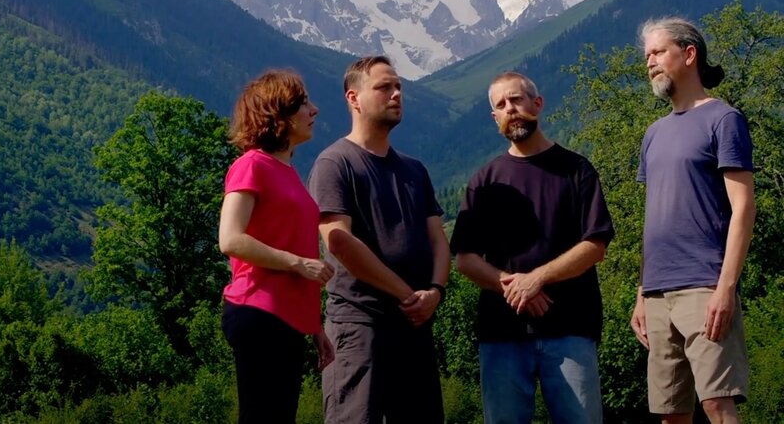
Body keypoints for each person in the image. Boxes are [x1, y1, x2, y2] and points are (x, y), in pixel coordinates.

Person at [451, 71, 614, 424]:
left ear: (537, 104)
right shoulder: (485, 181)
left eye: (517, 99)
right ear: (495, 118)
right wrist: (515, 285)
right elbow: (464, 258)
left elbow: (595, 244)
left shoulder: (577, 170)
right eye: (501, 105)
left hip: (571, 329)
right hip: (501, 334)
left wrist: (537, 278)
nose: (511, 109)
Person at [307, 55, 450, 424]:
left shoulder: (415, 170)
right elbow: (338, 242)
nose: (397, 94)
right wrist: (408, 294)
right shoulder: (335, 163)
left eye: (399, 86)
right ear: (353, 98)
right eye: (384, 87)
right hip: (359, 327)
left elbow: (438, 240)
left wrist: (435, 291)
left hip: (415, 326)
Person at [631, 18, 755, 424]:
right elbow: (656, 217)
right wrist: (641, 293)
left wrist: (726, 288)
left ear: (689, 54)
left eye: (658, 52)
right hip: (657, 293)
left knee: (718, 404)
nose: (649, 62)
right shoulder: (652, 133)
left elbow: (744, 208)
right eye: (646, 55)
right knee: (669, 414)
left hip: (704, 285)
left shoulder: (724, 119)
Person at [218, 70, 335, 424]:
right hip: (259, 311)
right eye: (303, 104)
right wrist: (298, 264)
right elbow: (231, 239)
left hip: (286, 318)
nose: (314, 110)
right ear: (277, 116)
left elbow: (289, 240)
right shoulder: (251, 165)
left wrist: (314, 327)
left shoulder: (286, 171)